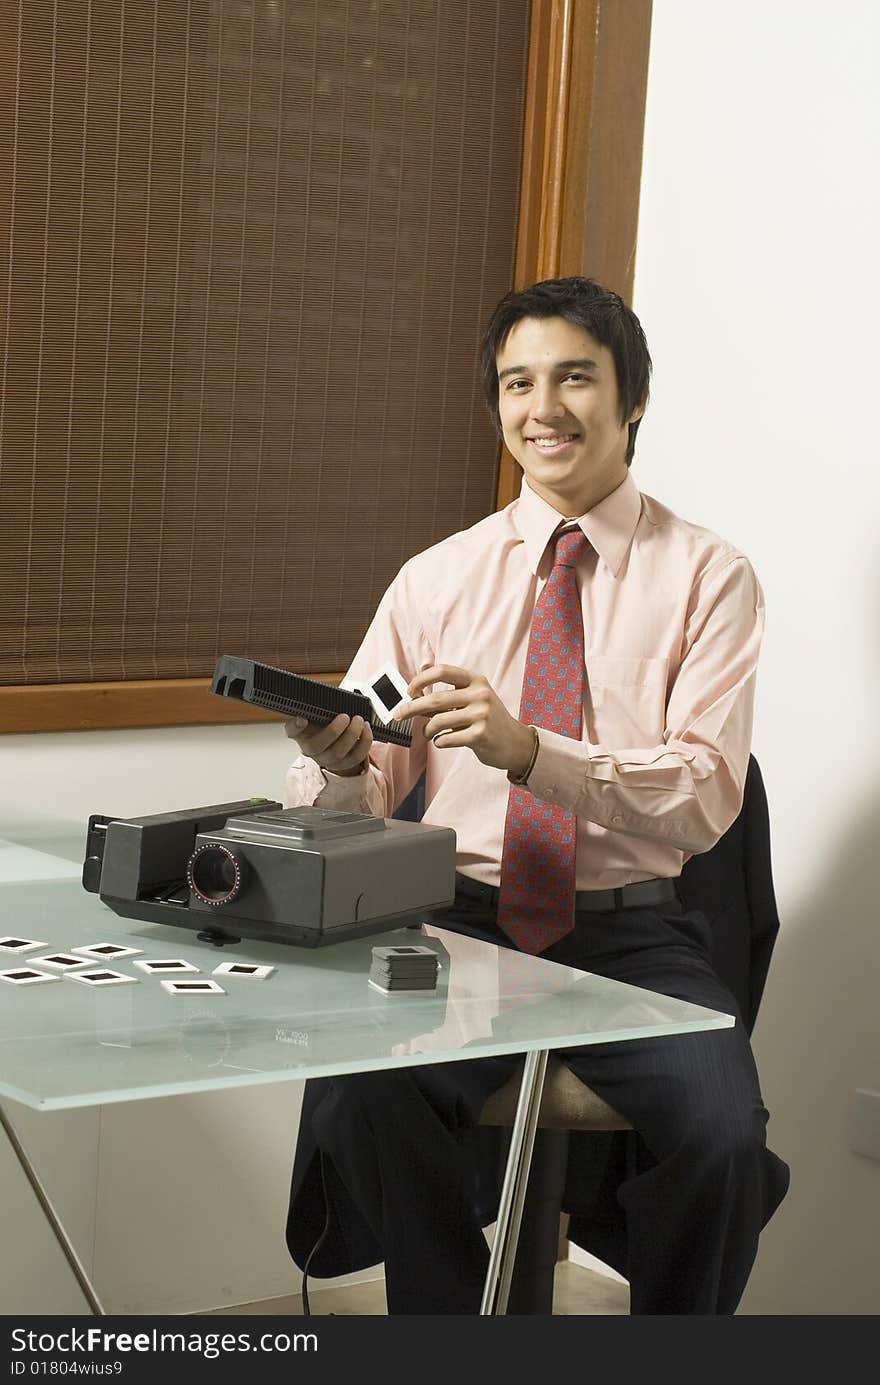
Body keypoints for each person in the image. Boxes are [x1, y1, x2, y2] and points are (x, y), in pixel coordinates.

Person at [282, 275, 789, 1315]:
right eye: (518, 382)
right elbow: (367, 789)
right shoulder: (435, 580)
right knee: (366, 1082)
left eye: (573, 377)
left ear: (631, 398)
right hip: (458, 922)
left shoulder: (709, 577)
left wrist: (529, 751)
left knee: (725, 1136)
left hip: (632, 934)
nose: (542, 407)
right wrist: (340, 756)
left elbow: (703, 791)